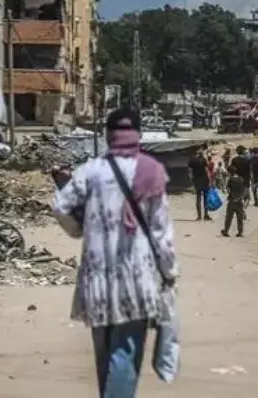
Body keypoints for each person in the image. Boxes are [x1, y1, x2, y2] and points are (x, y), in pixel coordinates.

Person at [51, 108, 178, 398]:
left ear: (108, 134)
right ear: (139, 133)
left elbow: (60, 205)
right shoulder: (150, 170)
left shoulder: (90, 171)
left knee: (105, 354)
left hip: (96, 280)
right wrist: (169, 273)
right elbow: (161, 231)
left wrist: (78, 229)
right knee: (125, 353)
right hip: (137, 280)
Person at [223, 145, 252, 237]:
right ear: (243, 151)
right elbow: (250, 171)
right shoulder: (247, 160)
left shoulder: (234, 160)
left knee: (230, 212)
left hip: (235, 183)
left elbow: (230, 170)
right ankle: (242, 210)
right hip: (245, 182)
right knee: (247, 198)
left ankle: (227, 229)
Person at [187, 145, 212, 221]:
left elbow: (190, 172)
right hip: (204, 180)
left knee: (198, 197)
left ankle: (199, 216)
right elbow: (207, 170)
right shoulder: (203, 159)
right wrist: (210, 180)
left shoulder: (191, 160)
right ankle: (206, 215)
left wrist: (192, 180)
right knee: (206, 197)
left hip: (197, 180)